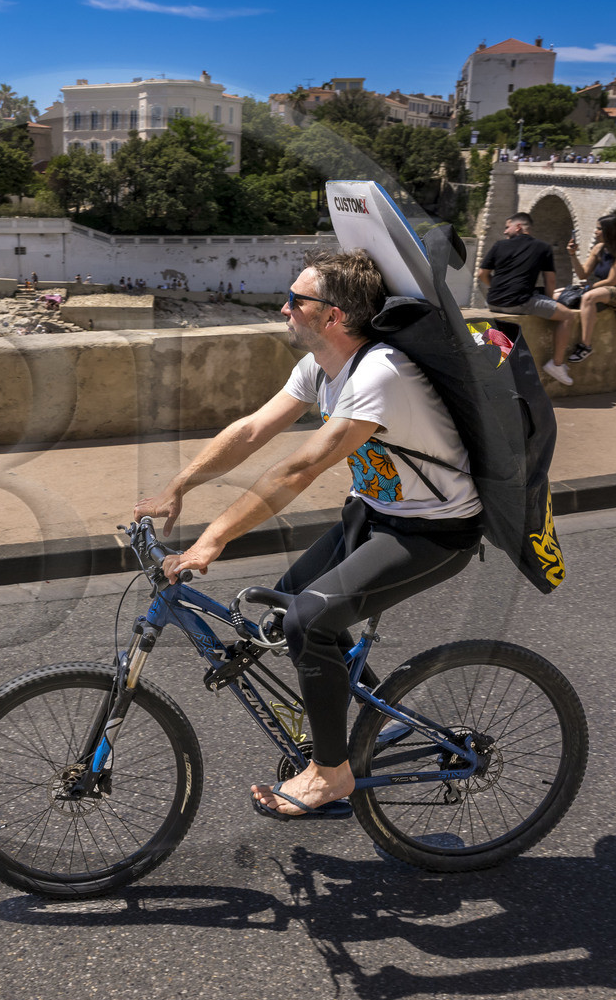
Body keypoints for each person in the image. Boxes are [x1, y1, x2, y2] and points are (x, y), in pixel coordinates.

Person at [134, 250, 483, 820]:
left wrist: (213, 539)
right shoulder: (320, 366)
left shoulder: (379, 373)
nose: (284, 307)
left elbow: (300, 468)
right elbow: (250, 431)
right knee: (287, 609)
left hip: (434, 528)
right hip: (373, 514)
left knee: (308, 621)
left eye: (298, 300)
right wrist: (180, 486)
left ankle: (331, 773)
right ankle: (384, 720)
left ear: (335, 317)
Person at [477, 213, 581, 384]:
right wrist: (551, 304)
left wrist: (496, 289)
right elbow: (550, 280)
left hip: (493, 302)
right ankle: (557, 364)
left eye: (507, 227)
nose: (504, 232)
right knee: (568, 315)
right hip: (519, 302)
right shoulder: (543, 247)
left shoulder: (499, 245)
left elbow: (482, 274)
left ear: (518, 227)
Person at [555, 214, 616, 367]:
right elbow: (582, 274)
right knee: (557, 294)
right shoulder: (598, 248)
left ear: (609, 230)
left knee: (588, 298)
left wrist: (589, 288)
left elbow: (613, 281)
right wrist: (572, 255)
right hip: (601, 288)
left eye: (599, 229)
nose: (595, 232)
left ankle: (585, 346)